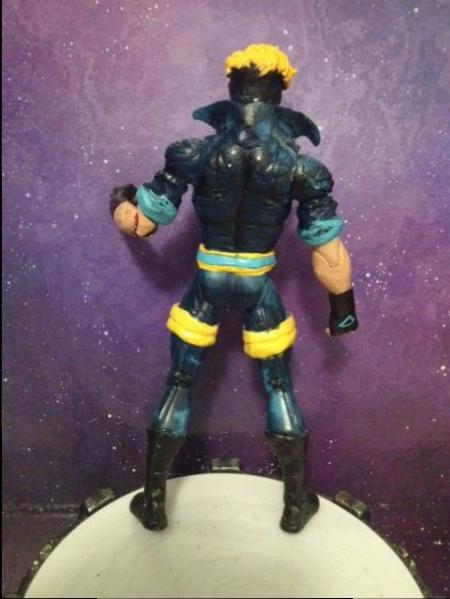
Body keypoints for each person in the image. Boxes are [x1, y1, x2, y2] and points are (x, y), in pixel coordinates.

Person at [110, 44, 358, 534]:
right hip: (256, 285)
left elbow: (141, 224)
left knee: (178, 383)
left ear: (232, 88)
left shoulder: (195, 153)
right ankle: (294, 507)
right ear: (280, 93)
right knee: (280, 386)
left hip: (207, 281)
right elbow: (328, 255)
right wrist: (342, 312)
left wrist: (119, 199)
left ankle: (154, 505)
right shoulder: (301, 168)